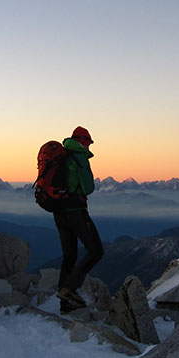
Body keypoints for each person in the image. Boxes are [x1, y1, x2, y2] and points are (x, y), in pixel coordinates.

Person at [53, 126, 103, 312]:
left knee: (69, 254)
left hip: (58, 212)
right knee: (96, 251)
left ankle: (64, 303)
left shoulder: (62, 155)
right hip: (76, 211)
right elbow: (88, 187)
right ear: (83, 141)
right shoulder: (79, 157)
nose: (89, 147)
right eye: (88, 143)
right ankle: (68, 289)